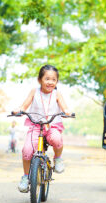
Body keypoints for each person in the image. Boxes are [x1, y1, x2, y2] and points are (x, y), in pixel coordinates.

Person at [13, 64, 72, 193]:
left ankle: (58, 158)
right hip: (36, 125)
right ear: (39, 80)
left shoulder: (57, 94)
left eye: (53, 80)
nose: (50, 82)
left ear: (56, 81)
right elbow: (24, 105)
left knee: (56, 139)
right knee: (27, 150)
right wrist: (19, 110)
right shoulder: (34, 92)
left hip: (52, 124)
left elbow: (64, 107)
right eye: (47, 79)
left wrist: (67, 112)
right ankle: (26, 177)